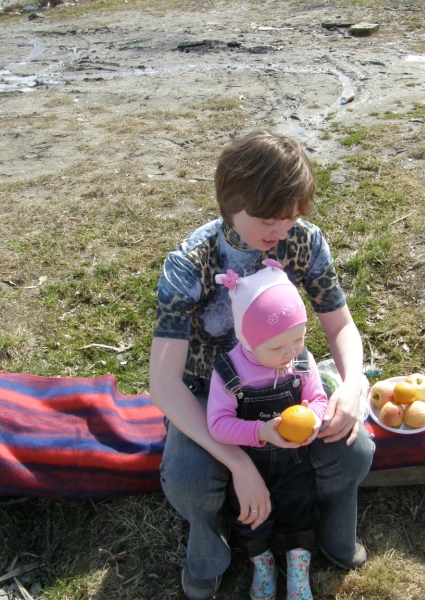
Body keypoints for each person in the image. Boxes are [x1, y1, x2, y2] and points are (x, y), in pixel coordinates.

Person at [148, 129, 374, 600]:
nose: (282, 232)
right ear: (230, 204)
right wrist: (237, 462)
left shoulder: (304, 242)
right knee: (189, 480)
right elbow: (165, 386)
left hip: (289, 383)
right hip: (209, 393)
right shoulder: (190, 263)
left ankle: (331, 531)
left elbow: (341, 326)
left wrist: (352, 386)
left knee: (353, 451)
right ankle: (209, 552)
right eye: (269, 219)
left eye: (291, 218)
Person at [208, 260, 327, 600]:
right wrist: (260, 431)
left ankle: (298, 568)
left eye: (298, 339)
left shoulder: (300, 360)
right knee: (249, 515)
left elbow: (319, 399)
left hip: (293, 461)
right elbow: (217, 424)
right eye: (277, 347)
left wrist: (313, 418)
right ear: (247, 339)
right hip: (251, 461)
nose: (290, 352)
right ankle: (263, 565)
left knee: (299, 506)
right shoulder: (230, 372)